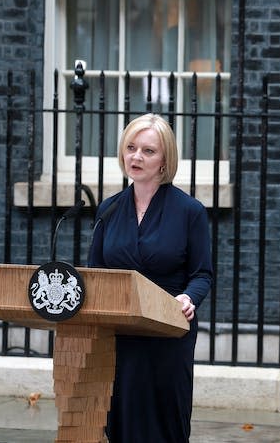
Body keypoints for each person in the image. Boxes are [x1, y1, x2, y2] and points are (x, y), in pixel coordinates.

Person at [88, 113, 213, 442]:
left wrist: (188, 298)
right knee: (122, 416)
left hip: (167, 331)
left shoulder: (190, 211)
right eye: (131, 148)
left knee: (164, 420)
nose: (136, 157)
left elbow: (202, 274)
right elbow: (94, 274)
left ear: (164, 160)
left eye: (148, 150)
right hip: (121, 333)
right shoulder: (109, 210)